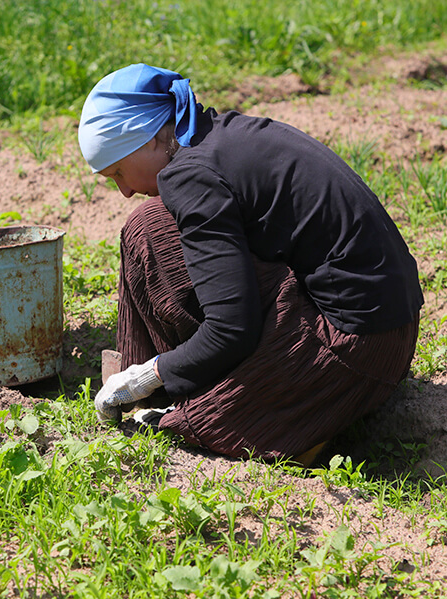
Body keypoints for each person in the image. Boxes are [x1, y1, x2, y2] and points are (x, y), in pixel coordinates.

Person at [78, 63, 423, 465]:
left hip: (351, 351)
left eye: (119, 171)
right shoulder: (216, 136)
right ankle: (163, 389)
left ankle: (276, 415)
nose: (123, 190)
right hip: (392, 333)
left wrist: (151, 373)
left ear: (154, 136)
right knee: (150, 222)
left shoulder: (190, 176)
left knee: (206, 420)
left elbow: (231, 330)